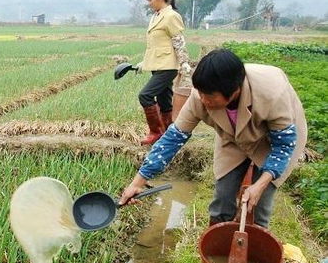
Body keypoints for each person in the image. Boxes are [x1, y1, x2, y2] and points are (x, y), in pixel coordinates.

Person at [120, 49, 307, 228]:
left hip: (272, 140)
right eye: (199, 92)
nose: (202, 99)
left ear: (234, 91)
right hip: (233, 137)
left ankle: (256, 238)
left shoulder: (272, 94)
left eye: (208, 96)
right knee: (223, 196)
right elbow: (172, 139)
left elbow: (283, 146)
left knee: (259, 205)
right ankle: (217, 241)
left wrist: (260, 184)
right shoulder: (200, 96)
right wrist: (137, 183)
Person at [136, 0, 193, 145]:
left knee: (145, 95)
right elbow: (156, 44)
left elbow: (178, 40)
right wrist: (144, 62)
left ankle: (156, 132)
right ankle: (169, 132)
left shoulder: (171, 16)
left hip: (167, 66)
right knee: (164, 100)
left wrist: (184, 62)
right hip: (157, 64)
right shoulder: (157, 15)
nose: (149, 3)